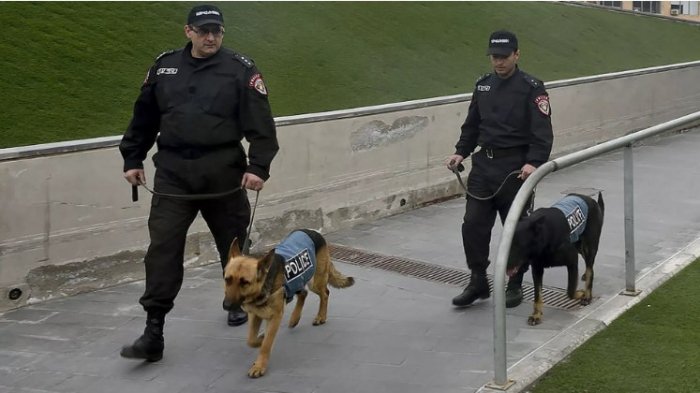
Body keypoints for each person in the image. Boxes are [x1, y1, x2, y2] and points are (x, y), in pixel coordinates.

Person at [118, 4, 279, 362]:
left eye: (217, 32)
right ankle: (153, 331)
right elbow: (143, 116)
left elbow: (262, 125)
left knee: (235, 246)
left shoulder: (240, 70)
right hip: (174, 174)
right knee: (162, 249)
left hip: (223, 172)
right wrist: (133, 157)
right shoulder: (164, 67)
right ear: (188, 31)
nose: (211, 38)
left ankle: (240, 302)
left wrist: (259, 167)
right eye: (204, 31)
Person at [445, 30, 553, 309]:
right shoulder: (483, 86)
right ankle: (478, 280)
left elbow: (542, 133)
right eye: (495, 57)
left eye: (504, 57)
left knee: (516, 229)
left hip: (516, 169)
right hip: (484, 166)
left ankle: (515, 283)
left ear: (517, 55)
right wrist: (460, 151)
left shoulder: (532, 88)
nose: (499, 62)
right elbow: (472, 125)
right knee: (473, 225)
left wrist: (534, 163)